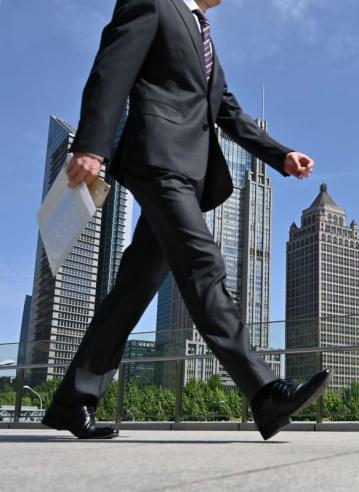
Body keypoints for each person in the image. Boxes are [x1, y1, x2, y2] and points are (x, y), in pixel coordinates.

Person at [41, 0, 329, 441]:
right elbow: (111, 68)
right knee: (203, 266)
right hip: (158, 158)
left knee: (132, 291)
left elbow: (228, 111)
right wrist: (92, 145)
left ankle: (71, 401)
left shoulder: (205, 39)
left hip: (189, 174)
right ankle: (266, 392)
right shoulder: (153, 3)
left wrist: (281, 154)